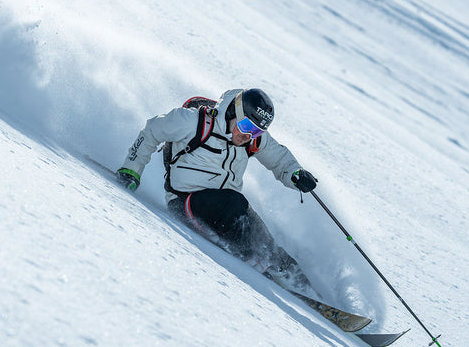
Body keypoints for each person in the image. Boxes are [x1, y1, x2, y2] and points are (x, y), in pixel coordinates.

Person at [116, 88, 318, 284]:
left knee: (261, 235)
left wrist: (296, 174)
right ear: (235, 113)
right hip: (186, 202)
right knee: (235, 204)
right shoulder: (193, 122)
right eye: (247, 127)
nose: (249, 136)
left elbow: (279, 159)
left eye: (257, 131)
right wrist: (131, 170)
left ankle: (303, 286)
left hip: (227, 210)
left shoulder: (252, 140)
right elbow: (153, 129)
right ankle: (257, 263)